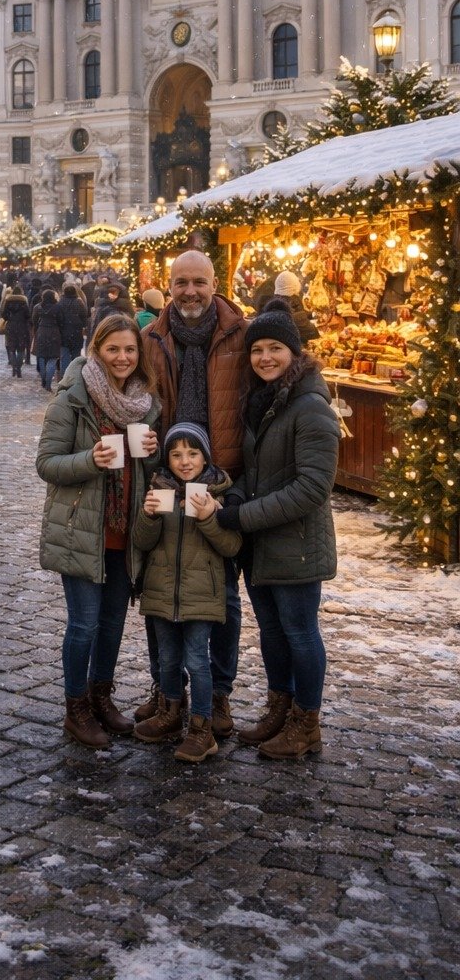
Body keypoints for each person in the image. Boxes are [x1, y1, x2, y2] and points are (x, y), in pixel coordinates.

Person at [215, 298, 339, 758]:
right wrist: (234, 494)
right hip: (263, 545)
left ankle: (306, 723)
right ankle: (279, 709)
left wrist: (242, 516)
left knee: (300, 633)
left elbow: (312, 488)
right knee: (271, 631)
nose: (264, 357)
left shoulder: (310, 407)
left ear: (294, 352)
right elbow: (257, 471)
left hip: (297, 545)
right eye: (257, 349)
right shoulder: (263, 400)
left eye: (275, 348)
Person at [36, 314, 162, 750]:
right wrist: (90, 459)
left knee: (112, 624)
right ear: (96, 351)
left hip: (126, 532)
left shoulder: (145, 402)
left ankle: (101, 697)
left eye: (130, 349)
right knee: (84, 625)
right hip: (82, 530)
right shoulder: (73, 398)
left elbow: (148, 472)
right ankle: (76, 709)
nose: (122, 357)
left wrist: (152, 453)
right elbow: (47, 463)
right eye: (113, 349)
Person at [142, 250, 249, 737]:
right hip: (166, 475)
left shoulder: (240, 335)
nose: (190, 291)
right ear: (169, 286)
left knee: (222, 595)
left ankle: (218, 695)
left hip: (223, 479)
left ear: (214, 284)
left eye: (198, 282)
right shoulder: (152, 338)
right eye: (181, 282)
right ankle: (167, 691)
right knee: (160, 588)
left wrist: (239, 483)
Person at [131, 423, 242, 762]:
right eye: (176, 454)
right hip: (162, 593)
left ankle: (201, 729)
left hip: (201, 596)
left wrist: (210, 517)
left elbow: (231, 546)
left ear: (205, 457)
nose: (185, 461)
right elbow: (142, 541)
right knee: (167, 658)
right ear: (167, 458)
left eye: (193, 453)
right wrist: (148, 516)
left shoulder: (218, 492)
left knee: (196, 661)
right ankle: (170, 713)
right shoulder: (158, 487)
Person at [272, 271, 319, 345]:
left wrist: (312, 314)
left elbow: (299, 313)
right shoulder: (292, 302)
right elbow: (313, 333)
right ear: (294, 287)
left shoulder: (276, 303)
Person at [32, 287, 62, 391]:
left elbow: (34, 320)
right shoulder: (58, 307)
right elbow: (61, 320)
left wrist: (37, 330)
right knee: (52, 358)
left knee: (41, 356)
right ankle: (48, 383)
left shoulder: (38, 307)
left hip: (41, 331)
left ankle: (43, 378)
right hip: (54, 332)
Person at [0, 285, 32, 378]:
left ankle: (14, 367)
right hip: (22, 326)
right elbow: (28, 315)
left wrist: (9, 318)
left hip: (11, 326)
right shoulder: (24, 302)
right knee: (21, 348)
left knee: (12, 348)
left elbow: (4, 315)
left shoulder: (8, 301)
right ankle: (19, 367)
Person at [57, 283, 88, 375]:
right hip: (76, 332)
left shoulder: (60, 302)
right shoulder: (79, 302)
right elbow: (84, 316)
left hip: (63, 332)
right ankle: (75, 375)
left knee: (64, 356)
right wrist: (83, 326)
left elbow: (58, 317)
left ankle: (65, 375)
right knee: (76, 356)